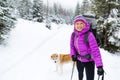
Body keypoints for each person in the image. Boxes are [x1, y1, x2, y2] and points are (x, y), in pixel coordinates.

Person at [70, 15, 104, 80]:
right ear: (74, 25)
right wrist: (73, 54)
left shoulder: (89, 35)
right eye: (77, 23)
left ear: (85, 24)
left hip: (89, 61)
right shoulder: (73, 34)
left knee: (90, 78)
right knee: (80, 76)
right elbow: (72, 46)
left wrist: (99, 66)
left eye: (81, 23)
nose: (79, 25)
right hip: (79, 60)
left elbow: (95, 51)